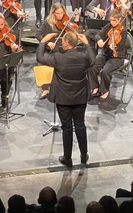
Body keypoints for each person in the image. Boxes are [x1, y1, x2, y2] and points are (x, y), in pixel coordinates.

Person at [36, 28, 95, 167]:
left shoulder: (58, 58)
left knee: (67, 127)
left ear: (68, 43)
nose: (61, 43)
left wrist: (43, 41)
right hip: (80, 97)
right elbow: (93, 60)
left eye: (63, 41)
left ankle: (67, 158)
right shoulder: (84, 57)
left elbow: (40, 57)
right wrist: (87, 43)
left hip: (63, 98)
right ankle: (83, 155)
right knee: (80, 125)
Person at [35, 2, 81, 100]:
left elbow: (75, 32)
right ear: (53, 13)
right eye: (57, 13)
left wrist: (76, 19)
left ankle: (64, 87)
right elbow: (38, 35)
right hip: (50, 51)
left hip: (63, 51)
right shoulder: (47, 22)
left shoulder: (67, 20)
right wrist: (47, 43)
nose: (60, 16)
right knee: (41, 62)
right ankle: (45, 88)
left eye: (61, 13)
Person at [88, 8, 128, 100]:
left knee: (105, 71)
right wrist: (100, 40)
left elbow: (121, 46)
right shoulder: (109, 26)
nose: (112, 22)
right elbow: (98, 35)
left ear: (119, 20)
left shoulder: (123, 31)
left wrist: (114, 47)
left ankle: (105, 90)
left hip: (117, 57)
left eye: (115, 20)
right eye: (111, 20)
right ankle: (95, 87)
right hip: (106, 54)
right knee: (92, 65)